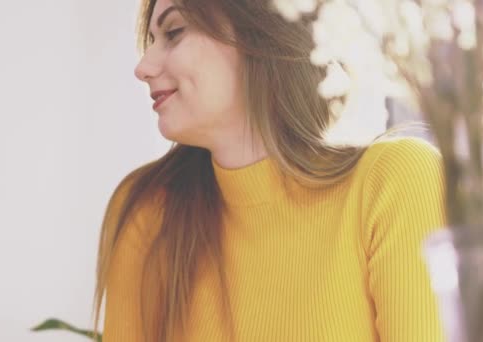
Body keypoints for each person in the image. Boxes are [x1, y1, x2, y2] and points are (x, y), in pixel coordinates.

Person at [92, 0, 447, 341]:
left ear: (258, 31)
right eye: (151, 41)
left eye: (174, 32)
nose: (143, 67)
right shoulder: (149, 211)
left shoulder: (396, 181)